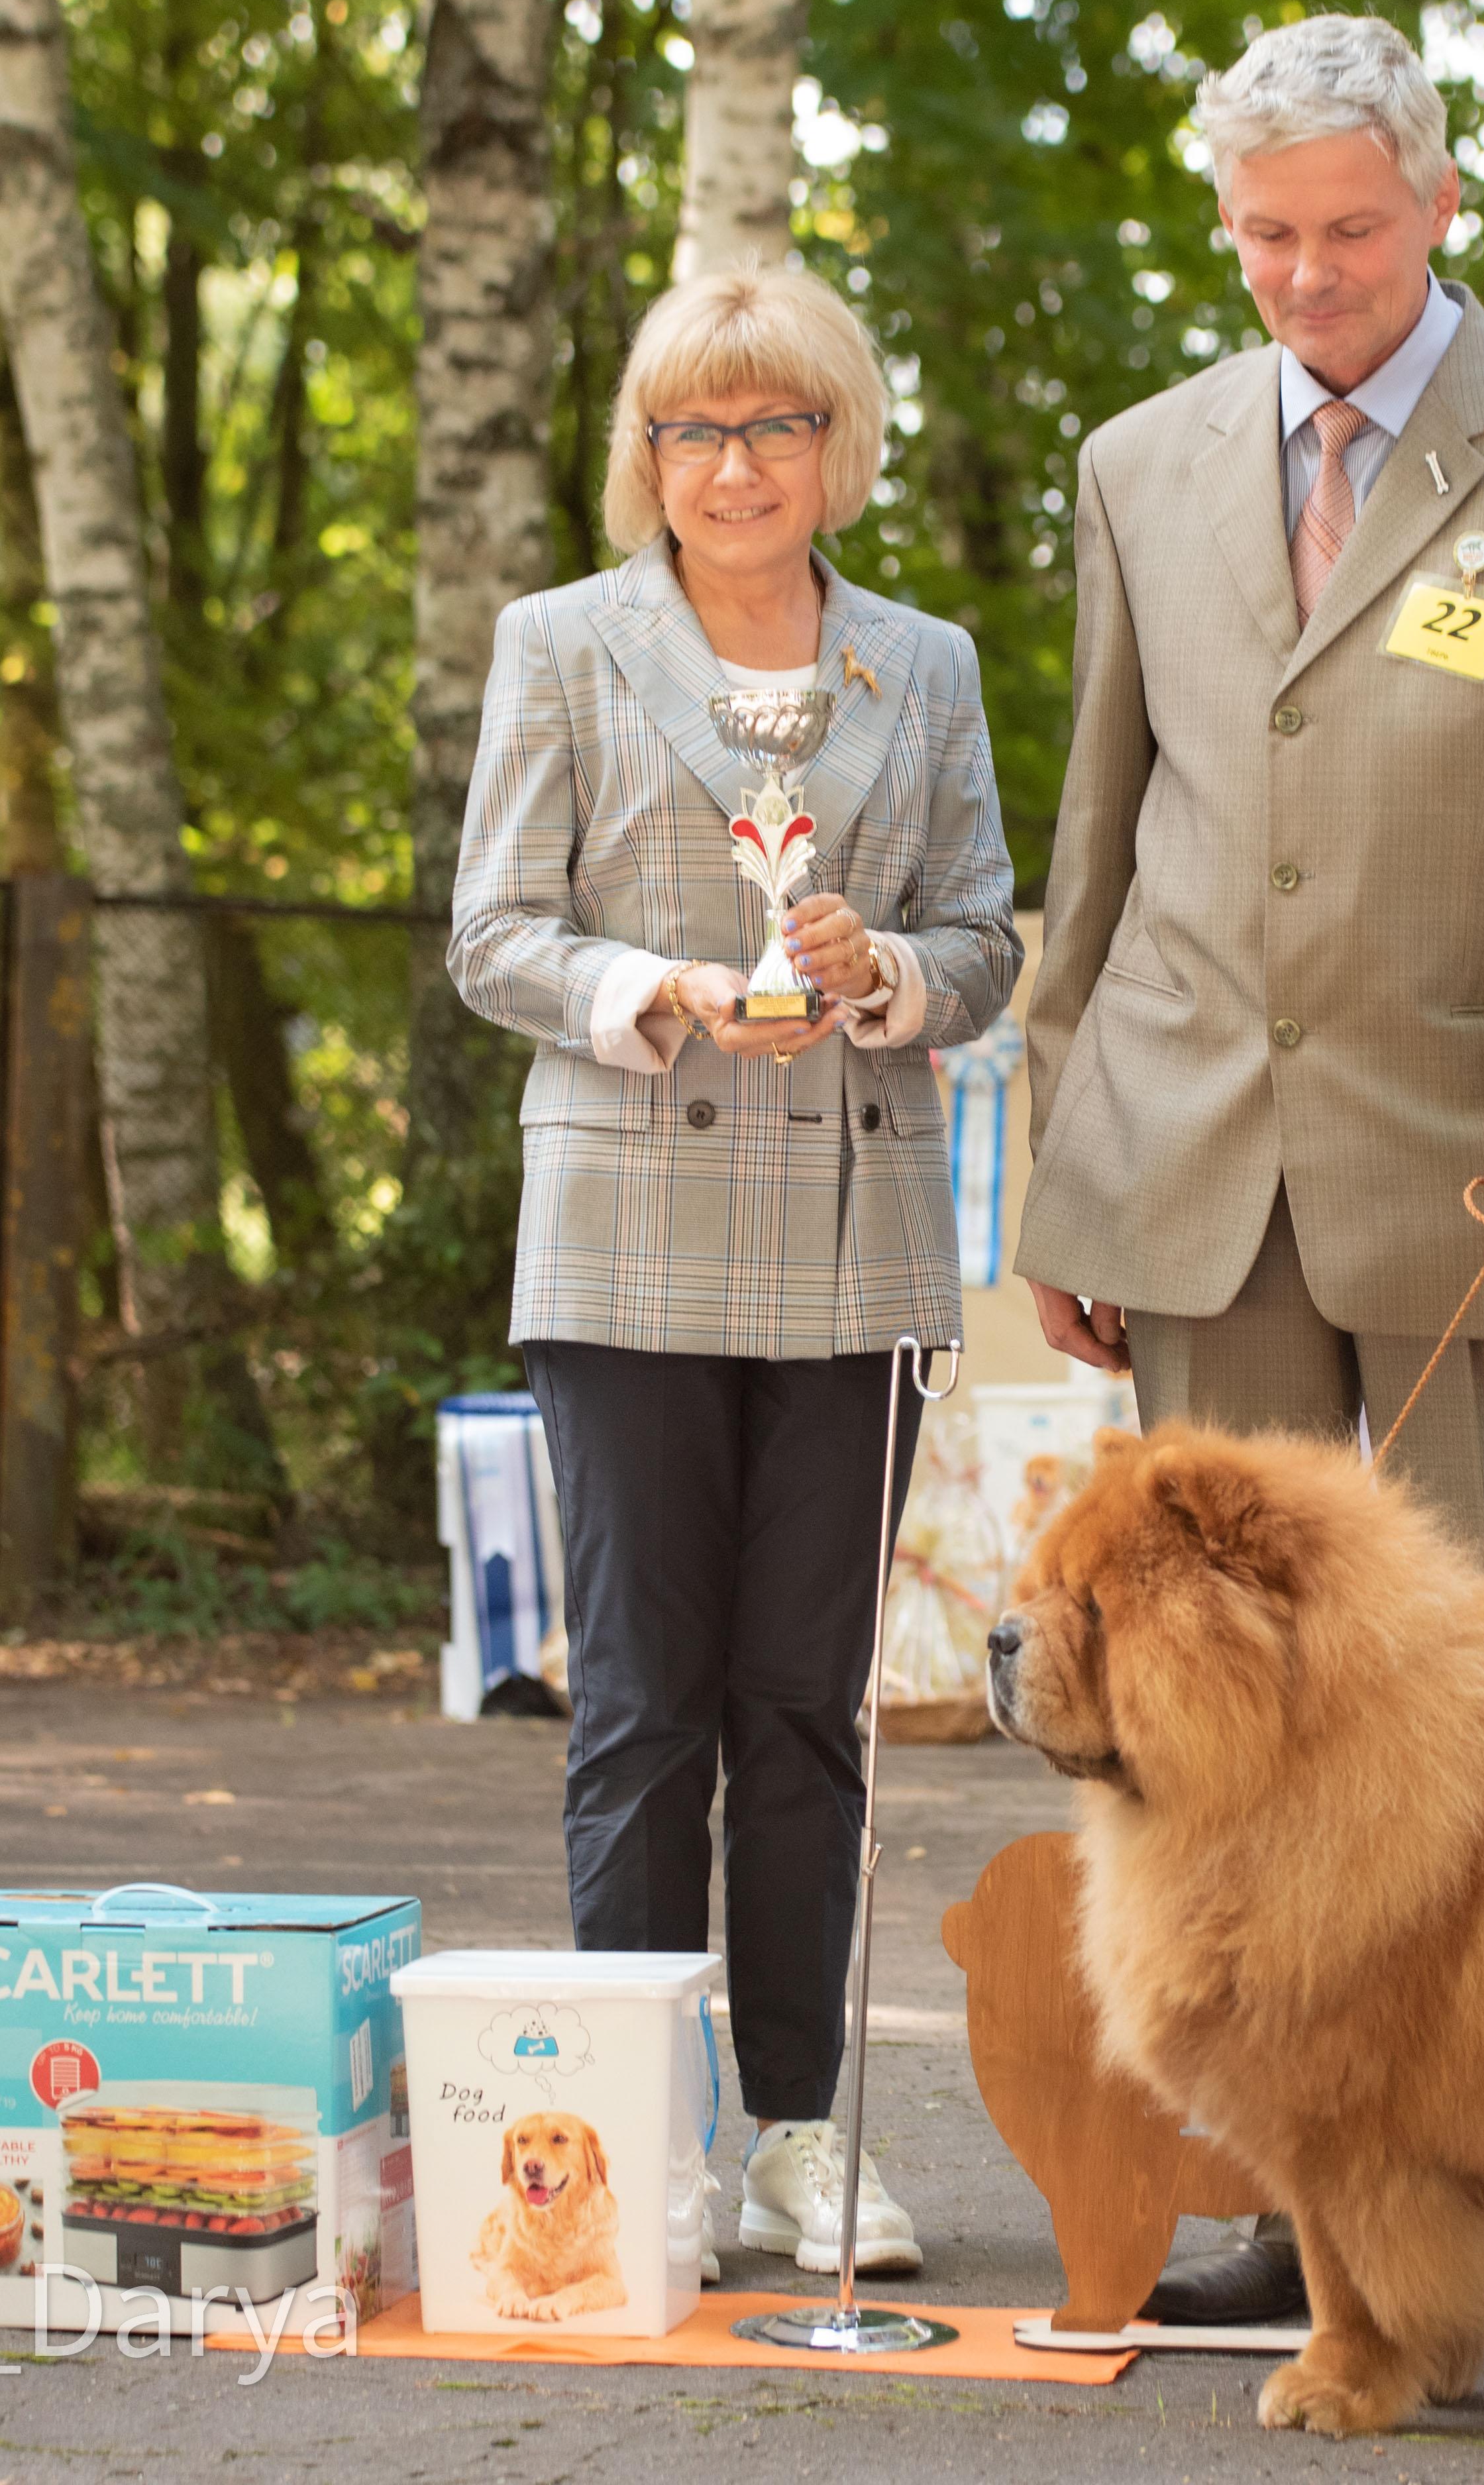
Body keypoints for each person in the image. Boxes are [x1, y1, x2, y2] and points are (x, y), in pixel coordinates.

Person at [1011, 13, 1484, 2360]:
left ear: (1433, 205)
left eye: (1345, 229)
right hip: (1194, 1170)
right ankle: (1284, 2190)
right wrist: (1064, 1168)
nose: (1304, 277)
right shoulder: (1138, 461)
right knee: (1210, 1725)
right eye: (1262, 237)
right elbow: (1101, 837)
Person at [449, 262, 1023, 2281]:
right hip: (619, 1236)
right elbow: (496, 932)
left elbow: (986, 936)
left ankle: (794, 2132)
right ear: (647, 452)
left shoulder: (920, 666)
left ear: (835, 443)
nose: (734, 465)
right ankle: (628, 2131)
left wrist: (888, 982)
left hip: (857, 1251)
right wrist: (665, 986)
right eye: (693, 427)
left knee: (808, 1714)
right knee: (636, 1714)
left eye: (775, 423)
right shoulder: (560, 645)